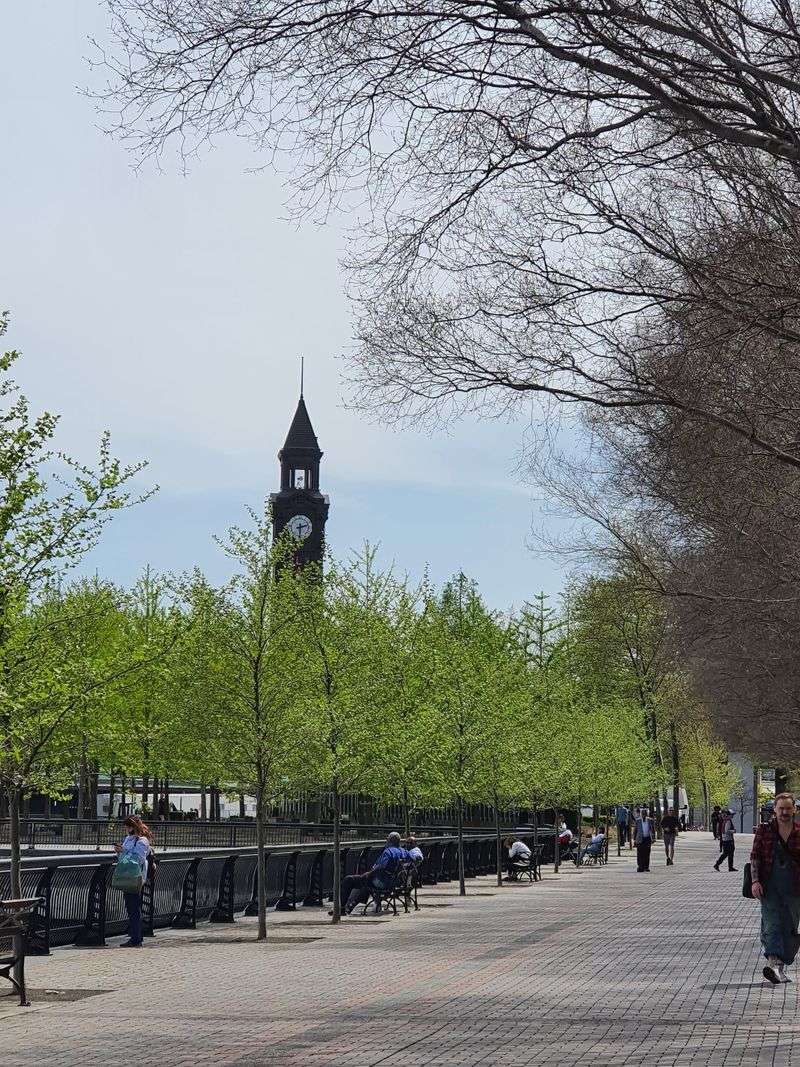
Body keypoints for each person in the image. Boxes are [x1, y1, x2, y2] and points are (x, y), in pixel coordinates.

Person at [750, 792, 800, 984]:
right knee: (771, 924)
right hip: (769, 886)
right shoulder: (764, 830)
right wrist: (755, 881)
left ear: (794, 809)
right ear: (775, 810)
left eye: (788, 808)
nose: (784, 812)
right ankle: (773, 963)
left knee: (790, 927)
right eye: (781, 808)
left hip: (794, 888)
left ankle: (779, 966)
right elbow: (755, 856)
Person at [336, 832, 409, 915]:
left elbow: (381, 867)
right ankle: (350, 906)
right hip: (394, 882)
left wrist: (369, 874)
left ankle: (341, 909)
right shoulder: (403, 851)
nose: (386, 840)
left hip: (382, 882)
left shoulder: (388, 852)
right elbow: (413, 858)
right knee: (363, 882)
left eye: (387, 838)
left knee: (348, 880)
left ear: (390, 840)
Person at [114, 815, 153, 948]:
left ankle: (136, 937)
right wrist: (120, 852)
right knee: (130, 906)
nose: (126, 828)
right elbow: (124, 857)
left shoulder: (142, 841)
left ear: (133, 826)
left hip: (135, 876)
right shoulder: (128, 839)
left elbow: (139, 858)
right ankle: (135, 935)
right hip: (127, 874)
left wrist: (123, 851)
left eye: (128, 826)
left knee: (134, 906)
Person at [634, 806, 655, 872]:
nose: (643, 815)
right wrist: (634, 839)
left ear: (646, 814)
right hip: (640, 839)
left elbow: (653, 829)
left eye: (645, 814)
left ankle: (646, 866)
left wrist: (653, 838)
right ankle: (640, 866)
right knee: (640, 853)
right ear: (641, 814)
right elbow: (635, 830)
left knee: (647, 853)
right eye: (642, 814)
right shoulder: (638, 821)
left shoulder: (650, 820)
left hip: (647, 838)